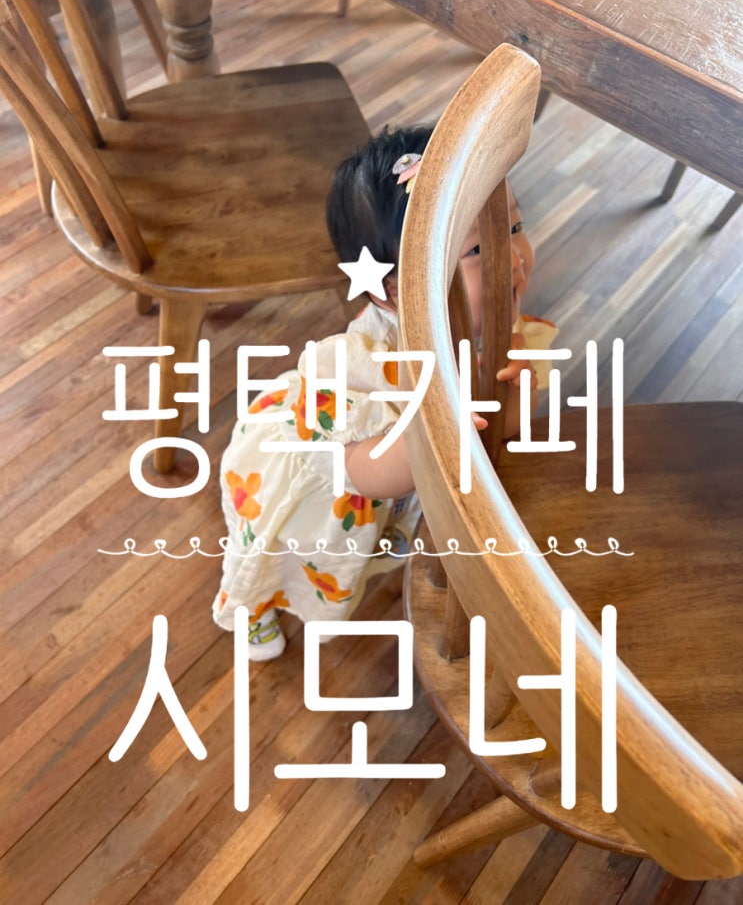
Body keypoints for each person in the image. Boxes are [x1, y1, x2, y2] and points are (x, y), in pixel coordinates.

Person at [213, 126, 557, 659]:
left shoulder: (492, 328)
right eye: (476, 249)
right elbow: (365, 474)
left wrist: (514, 388)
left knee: (383, 545)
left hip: (400, 487)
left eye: (512, 225)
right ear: (391, 291)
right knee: (277, 553)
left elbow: (508, 428)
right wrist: (438, 428)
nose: (512, 256)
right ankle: (250, 610)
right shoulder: (361, 363)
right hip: (324, 483)